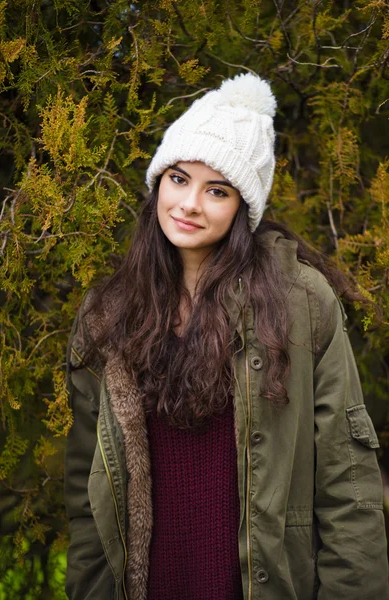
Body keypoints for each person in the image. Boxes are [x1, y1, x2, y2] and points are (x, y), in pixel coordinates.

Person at [64, 73, 389, 600]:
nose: (190, 203)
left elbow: (347, 484)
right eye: (178, 178)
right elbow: (88, 498)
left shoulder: (301, 303)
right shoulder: (108, 315)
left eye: (216, 190)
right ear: (157, 182)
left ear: (244, 207)